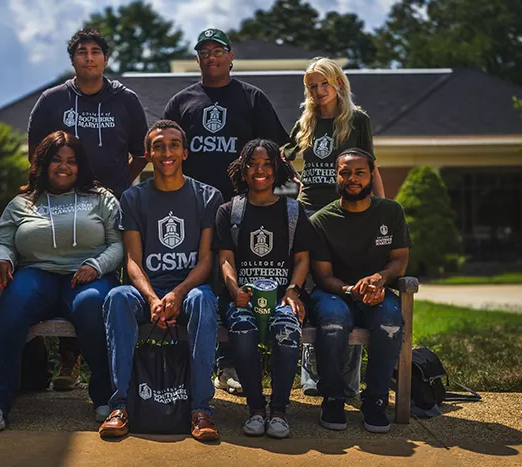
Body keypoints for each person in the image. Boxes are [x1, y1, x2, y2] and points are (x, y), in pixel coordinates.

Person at [164, 28, 290, 395]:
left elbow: (276, 151)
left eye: (218, 50)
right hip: (191, 209)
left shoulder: (251, 98)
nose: (211, 56)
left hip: (241, 212)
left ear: (231, 56)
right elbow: (166, 151)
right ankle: (187, 359)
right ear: (198, 58)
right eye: (203, 51)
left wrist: (285, 194)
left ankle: (230, 362)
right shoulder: (182, 101)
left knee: (233, 284)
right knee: (197, 283)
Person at [0, 131, 123, 432]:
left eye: (71, 161)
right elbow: (2, 240)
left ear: (80, 166)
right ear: (43, 164)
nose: (64, 167)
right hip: (36, 273)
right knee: (12, 305)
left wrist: (96, 266)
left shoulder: (101, 198)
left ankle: (107, 398)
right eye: (56, 160)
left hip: (86, 275)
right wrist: (0, 257)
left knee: (92, 305)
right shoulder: (23, 202)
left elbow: (119, 243)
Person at [27, 27, 148, 390]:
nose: (90, 57)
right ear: (73, 60)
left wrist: (120, 185)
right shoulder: (52, 100)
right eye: (82, 52)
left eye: (96, 51)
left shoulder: (125, 100)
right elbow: (36, 154)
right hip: (63, 204)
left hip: (111, 204)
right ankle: (69, 359)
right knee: (69, 272)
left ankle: (121, 356)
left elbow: (142, 153)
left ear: (106, 59)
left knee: (116, 275)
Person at [98, 120, 222, 441]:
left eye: (173, 145)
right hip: (148, 294)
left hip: (189, 290)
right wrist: (153, 299)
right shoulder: (133, 198)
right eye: (158, 146)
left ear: (185, 151)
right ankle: (120, 405)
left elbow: (207, 260)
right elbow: (133, 262)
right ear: (148, 153)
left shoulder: (207, 196)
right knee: (117, 297)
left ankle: (201, 410)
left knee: (204, 300)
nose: (166, 152)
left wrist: (179, 293)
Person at [284, 57, 386, 397]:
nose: (317, 91)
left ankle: (347, 380)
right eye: (311, 86)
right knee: (311, 292)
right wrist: (297, 180)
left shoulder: (356, 120)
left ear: (338, 83)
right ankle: (312, 377)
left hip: (345, 212)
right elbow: (282, 155)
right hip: (309, 211)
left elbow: (371, 168)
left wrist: (380, 213)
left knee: (348, 291)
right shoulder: (306, 122)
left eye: (323, 84)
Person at [308, 148, 410, 433]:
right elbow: (323, 276)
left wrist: (379, 279)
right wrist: (353, 289)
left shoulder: (391, 211)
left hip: (377, 292)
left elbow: (399, 259)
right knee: (333, 323)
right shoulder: (321, 221)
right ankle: (333, 397)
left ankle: (375, 400)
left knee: (390, 322)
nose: (352, 178)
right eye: (345, 172)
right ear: (336, 176)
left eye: (359, 172)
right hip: (333, 293)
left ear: (371, 174)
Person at [215, 139, 311, 438]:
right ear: (242, 171)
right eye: (252, 165)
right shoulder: (229, 211)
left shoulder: (293, 211)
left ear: (277, 169)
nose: (260, 170)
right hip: (242, 299)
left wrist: (293, 291)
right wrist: (234, 291)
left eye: (266, 164)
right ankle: (256, 409)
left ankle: (279, 410)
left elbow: (302, 258)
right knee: (242, 331)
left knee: (286, 330)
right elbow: (226, 260)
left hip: (283, 296)